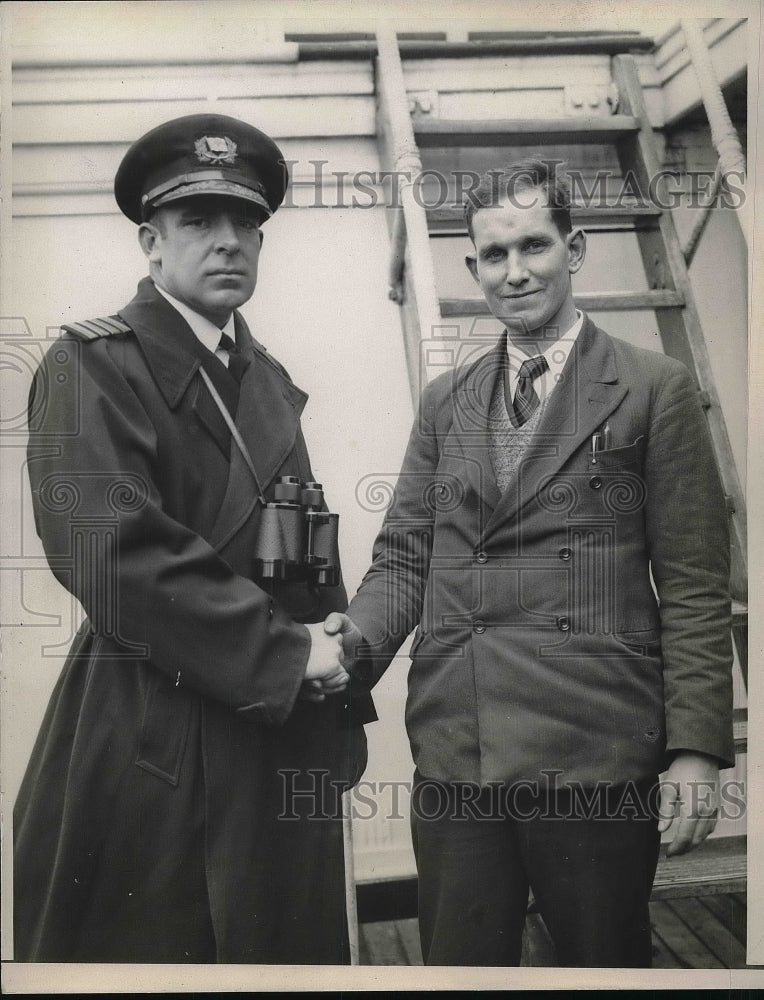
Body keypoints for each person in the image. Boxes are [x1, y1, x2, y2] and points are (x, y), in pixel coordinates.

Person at [327, 160, 734, 967]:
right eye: (494, 255)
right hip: (459, 749)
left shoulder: (655, 388)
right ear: (473, 267)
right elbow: (405, 559)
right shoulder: (447, 400)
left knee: (602, 968)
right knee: (459, 970)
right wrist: (349, 647)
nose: (515, 272)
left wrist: (695, 748)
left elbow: (692, 585)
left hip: (594, 749)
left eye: (534, 246)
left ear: (574, 248)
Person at [15, 113, 372, 964]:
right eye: (198, 222)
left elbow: (302, 553)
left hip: (276, 734)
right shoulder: (90, 364)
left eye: (245, 223)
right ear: (150, 240)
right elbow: (108, 550)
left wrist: (336, 676)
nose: (228, 243)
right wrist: (288, 657)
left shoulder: (268, 381)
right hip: (153, 736)